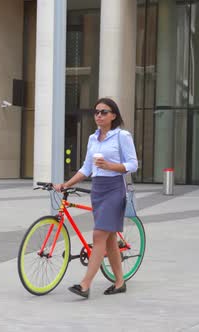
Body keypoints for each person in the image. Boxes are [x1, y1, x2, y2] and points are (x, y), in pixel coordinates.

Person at [54, 97, 138, 298]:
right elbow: (86, 168)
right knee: (109, 241)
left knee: (98, 235)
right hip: (98, 190)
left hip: (114, 188)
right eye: (96, 112)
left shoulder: (122, 136)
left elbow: (133, 164)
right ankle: (119, 282)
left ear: (113, 116)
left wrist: (110, 166)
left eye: (104, 112)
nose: (99, 115)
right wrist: (66, 184)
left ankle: (85, 285)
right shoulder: (93, 138)